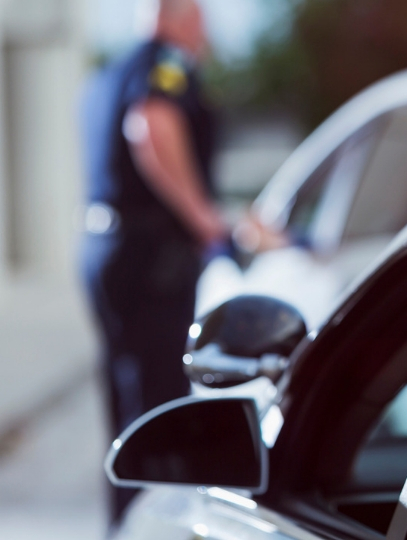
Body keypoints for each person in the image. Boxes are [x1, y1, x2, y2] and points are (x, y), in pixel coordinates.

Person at [79, 0, 225, 526]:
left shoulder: (109, 71)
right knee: (158, 409)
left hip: (104, 247)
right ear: (181, 16)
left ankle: (123, 525)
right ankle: (151, 529)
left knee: (125, 401)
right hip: (149, 258)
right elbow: (151, 124)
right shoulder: (164, 63)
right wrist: (205, 219)